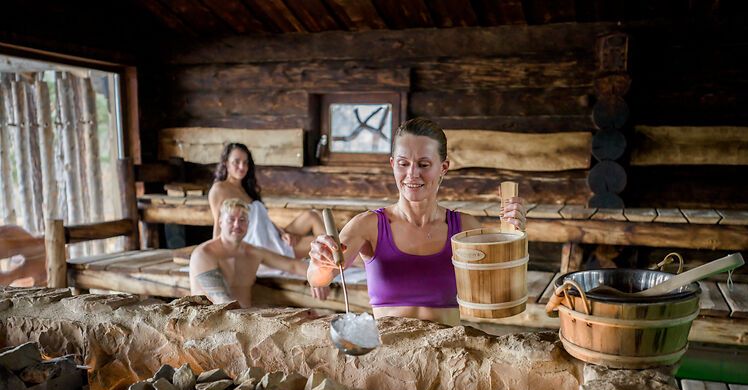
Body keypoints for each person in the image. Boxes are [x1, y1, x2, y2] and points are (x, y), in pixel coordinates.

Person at [307, 117, 525, 326]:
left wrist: (514, 236)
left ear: (443, 168)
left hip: (447, 353)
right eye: (403, 163)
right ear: (392, 164)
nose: (412, 174)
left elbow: (502, 293)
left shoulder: (466, 229)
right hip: (389, 353)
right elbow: (319, 279)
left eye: (424, 164)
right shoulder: (367, 225)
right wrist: (320, 262)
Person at [208, 142, 324, 259]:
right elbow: (218, 225)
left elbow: (263, 220)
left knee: (312, 215)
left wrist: (283, 233)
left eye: (245, 162)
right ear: (226, 163)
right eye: (236, 162)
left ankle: (336, 259)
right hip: (261, 245)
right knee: (323, 242)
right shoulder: (219, 189)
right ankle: (336, 259)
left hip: (271, 235)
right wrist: (217, 258)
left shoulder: (245, 189)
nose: (242, 167)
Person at [190, 198, 308, 308]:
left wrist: (317, 279)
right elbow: (219, 298)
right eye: (231, 219)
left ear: (248, 224)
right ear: (220, 222)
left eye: (242, 220)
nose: (237, 225)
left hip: (245, 320)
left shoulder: (253, 253)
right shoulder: (204, 254)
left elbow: (293, 266)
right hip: (211, 323)